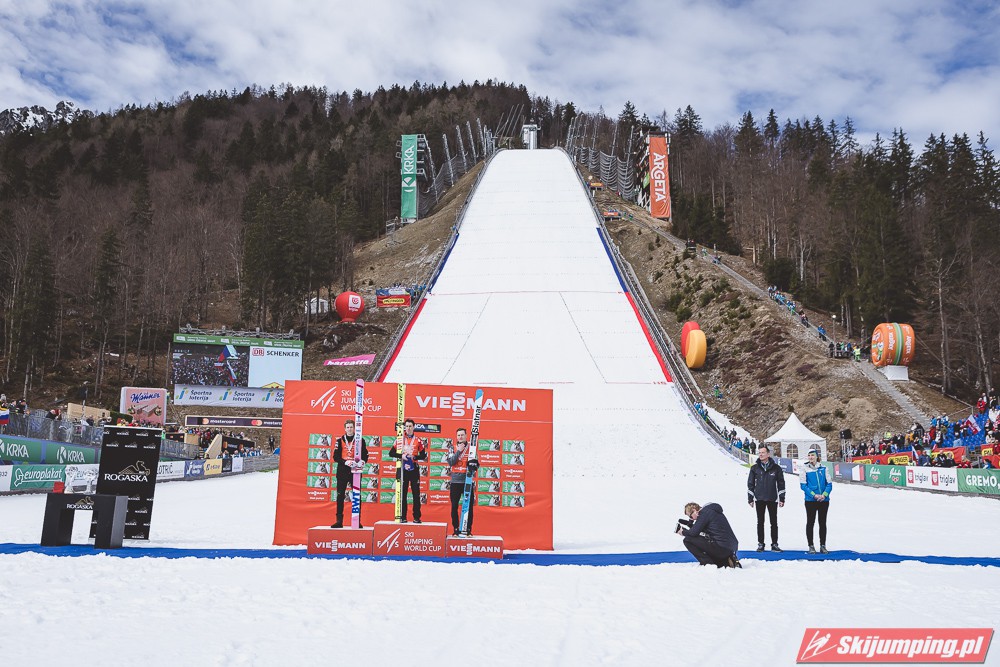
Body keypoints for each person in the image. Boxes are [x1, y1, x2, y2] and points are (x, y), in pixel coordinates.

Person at [675, 502, 741, 568]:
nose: (692, 519)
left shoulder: (703, 514)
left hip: (722, 548)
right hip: (730, 548)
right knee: (702, 538)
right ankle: (727, 560)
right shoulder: (711, 511)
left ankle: (708, 564)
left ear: (694, 510)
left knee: (687, 540)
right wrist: (690, 525)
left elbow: (694, 533)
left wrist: (682, 532)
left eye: (690, 516)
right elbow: (703, 530)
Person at [331, 419, 369, 528]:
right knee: (340, 496)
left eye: (351, 427)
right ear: (345, 428)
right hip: (343, 471)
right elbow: (335, 457)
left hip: (355, 471)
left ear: (354, 428)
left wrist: (363, 461)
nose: (349, 429)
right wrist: (345, 462)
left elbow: (365, 454)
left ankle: (357, 521)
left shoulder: (360, 440)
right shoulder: (339, 440)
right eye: (347, 427)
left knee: (356, 496)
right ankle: (339, 521)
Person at [747, 445, 786, 552]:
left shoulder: (776, 468)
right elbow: (750, 484)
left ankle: (774, 544)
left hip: (772, 498)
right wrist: (750, 498)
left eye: (763, 452)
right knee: (760, 522)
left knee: (774, 523)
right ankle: (761, 544)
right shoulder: (754, 468)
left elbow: (781, 484)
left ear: (768, 454)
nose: (760, 454)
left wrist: (782, 498)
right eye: (759, 452)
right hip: (759, 498)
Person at [390, 418, 427, 523]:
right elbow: (391, 453)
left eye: (410, 426)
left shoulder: (418, 440)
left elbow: (423, 455)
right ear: (404, 428)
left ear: (414, 427)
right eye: (406, 426)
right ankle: (403, 517)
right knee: (403, 493)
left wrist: (414, 457)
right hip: (403, 469)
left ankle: (416, 517)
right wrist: (401, 456)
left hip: (414, 468)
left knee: (416, 494)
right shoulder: (400, 440)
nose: (408, 428)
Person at [799, 448, 832, 554]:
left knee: (822, 523)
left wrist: (824, 495)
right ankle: (811, 545)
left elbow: (829, 484)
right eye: (809, 455)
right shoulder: (804, 468)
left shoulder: (824, 468)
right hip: (810, 500)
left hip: (823, 500)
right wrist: (814, 495)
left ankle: (823, 545)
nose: (810, 457)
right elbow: (803, 485)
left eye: (812, 455)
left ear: (817, 456)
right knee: (810, 522)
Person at [446, 427, 476, 536]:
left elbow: (476, 463)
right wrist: (459, 451)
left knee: (469, 507)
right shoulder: (452, 448)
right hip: (455, 482)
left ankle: (468, 529)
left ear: (466, 436)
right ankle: (456, 529)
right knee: (454, 506)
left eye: (462, 435)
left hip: (467, 481)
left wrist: (474, 466)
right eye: (458, 435)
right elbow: (451, 462)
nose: (460, 437)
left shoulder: (472, 448)